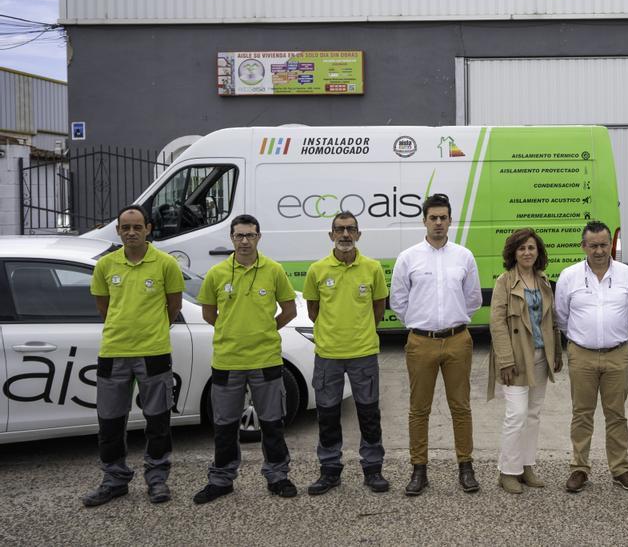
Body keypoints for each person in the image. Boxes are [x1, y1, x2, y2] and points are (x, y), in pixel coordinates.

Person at [192, 215, 298, 504]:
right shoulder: (217, 273)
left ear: (259, 237)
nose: (244, 241)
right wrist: (233, 333)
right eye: (239, 235)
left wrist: (265, 330)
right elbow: (208, 314)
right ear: (231, 238)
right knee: (225, 425)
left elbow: (289, 310)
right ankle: (222, 480)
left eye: (250, 235)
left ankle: (277, 476)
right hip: (227, 361)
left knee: (272, 422)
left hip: (265, 360)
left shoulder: (273, 270)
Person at [83, 205, 185, 506]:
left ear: (148, 229)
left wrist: (149, 331)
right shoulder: (105, 265)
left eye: (137, 227)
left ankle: (157, 480)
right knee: (110, 423)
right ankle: (114, 480)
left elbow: (173, 307)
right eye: (125, 227)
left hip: (154, 352)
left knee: (158, 422)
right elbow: (104, 307)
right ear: (117, 230)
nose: (131, 232)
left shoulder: (166, 264)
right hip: (114, 352)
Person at [391, 193, 483, 495]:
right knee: (419, 409)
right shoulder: (408, 258)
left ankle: (465, 467)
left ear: (450, 220)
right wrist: (423, 323)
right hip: (421, 342)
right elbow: (399, 302)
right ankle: (419, 470)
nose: (439, 223)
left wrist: (453, 322)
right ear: (424, 220)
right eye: (434, 218)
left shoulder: (464, 256)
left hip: (458, 341)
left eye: (444, 217)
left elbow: (473, 300)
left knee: (461, 407)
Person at [302, 211, 390, 496]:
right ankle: (329, 471)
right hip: (328, 353)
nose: (345, 235)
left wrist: (361, 332)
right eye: (339, 230)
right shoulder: (317, 270)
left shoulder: (373, 268)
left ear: (359, 234)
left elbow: (378, 308)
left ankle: (373, 469)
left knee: (368, 413)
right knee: (327, 415)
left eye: (351, 229)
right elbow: (313, 311)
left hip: (363, 352)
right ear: (331, 235)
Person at [556, 220, 628, 493]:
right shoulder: (569, 276)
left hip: (617, 355)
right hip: (582, 356)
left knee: (616, 415)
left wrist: (612, 337)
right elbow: (562, 317)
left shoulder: (626, 274)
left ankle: (620, 469)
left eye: (604, 244)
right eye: (593, 245)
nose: (599, 251)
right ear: (583, 246)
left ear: (610, 245)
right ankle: (579, 468)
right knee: (582, 414)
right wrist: (585, 340)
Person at [487, 228, 564, 494]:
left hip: (542, 357)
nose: (527, 252)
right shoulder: (504, 282)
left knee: (533, 415)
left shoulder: (543, 280)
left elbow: (551, 320)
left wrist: (556, 354)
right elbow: (497, 324)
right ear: (513, 253)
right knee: (516, 415)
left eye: (531, 248)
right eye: (522, 248)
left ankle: (526, 465)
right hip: (516, 359)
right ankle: (507, 471)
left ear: (538, 252)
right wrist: (505, 361)